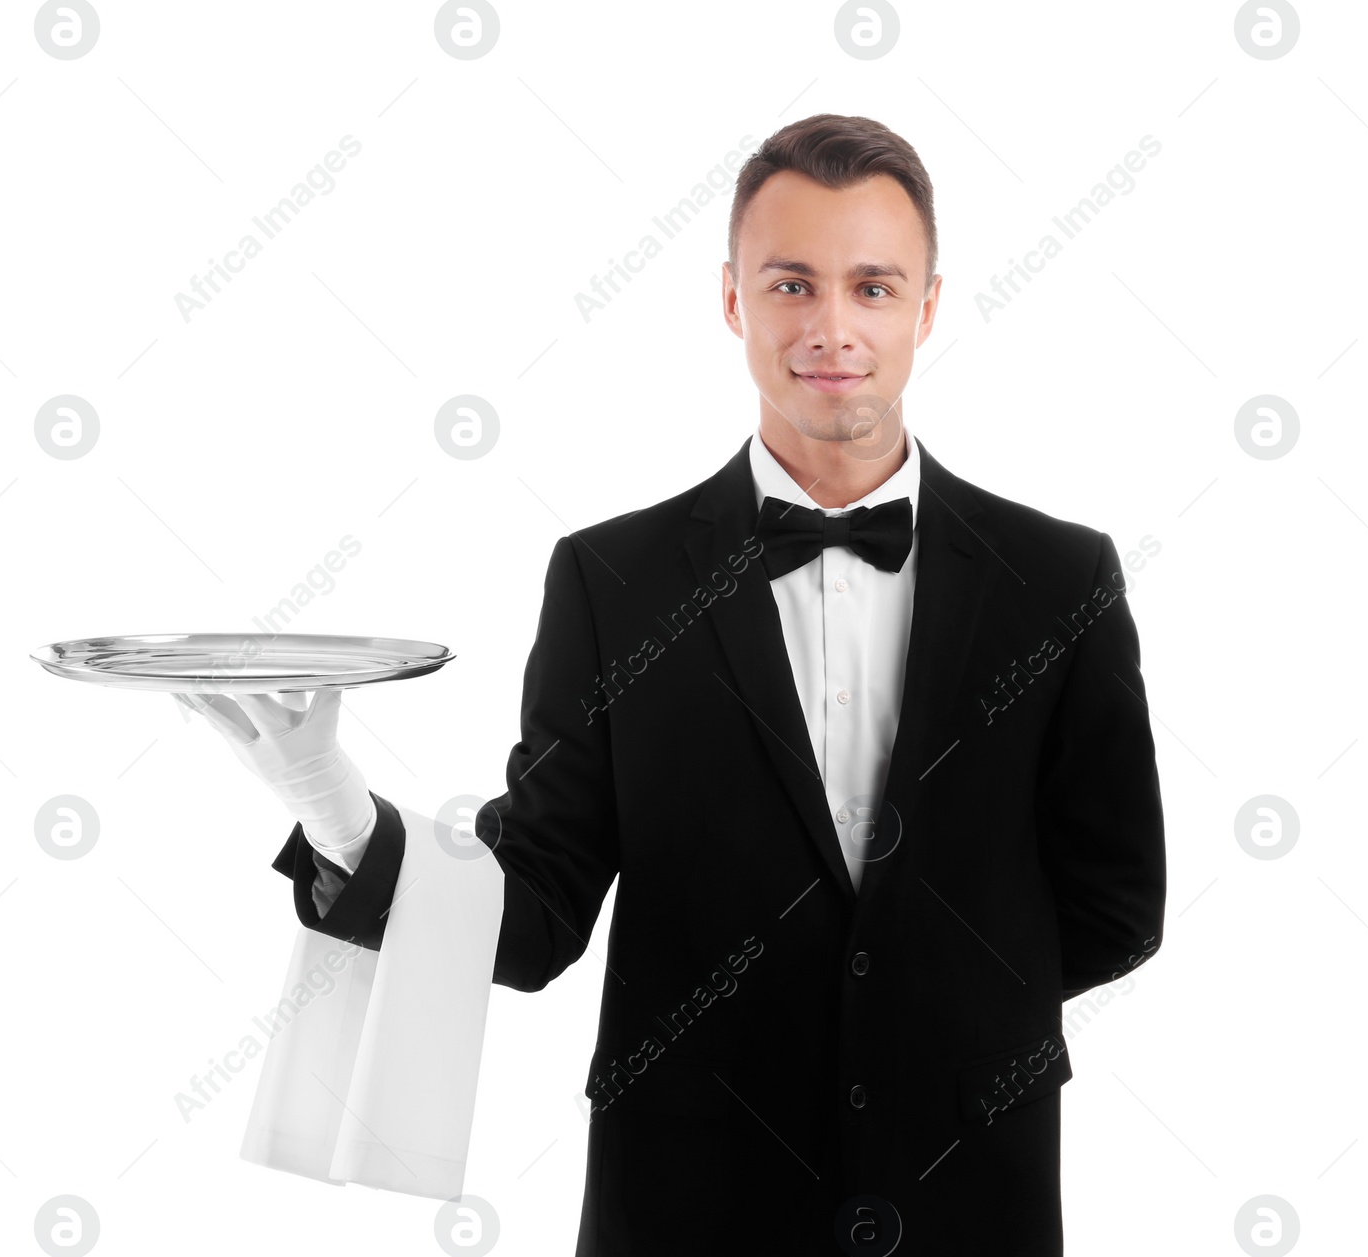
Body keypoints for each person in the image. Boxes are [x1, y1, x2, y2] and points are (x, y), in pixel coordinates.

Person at [179, 113, 1166, 1256]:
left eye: (873, 287)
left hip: (966, 1195)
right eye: (792, 284)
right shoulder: (614, 580)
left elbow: (1114, 905)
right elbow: (538, 909)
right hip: (685, 1201)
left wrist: (935, 1024)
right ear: (733, 299)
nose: (832, 326)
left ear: (928, 308)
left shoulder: (1056, 578)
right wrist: (330, 802)